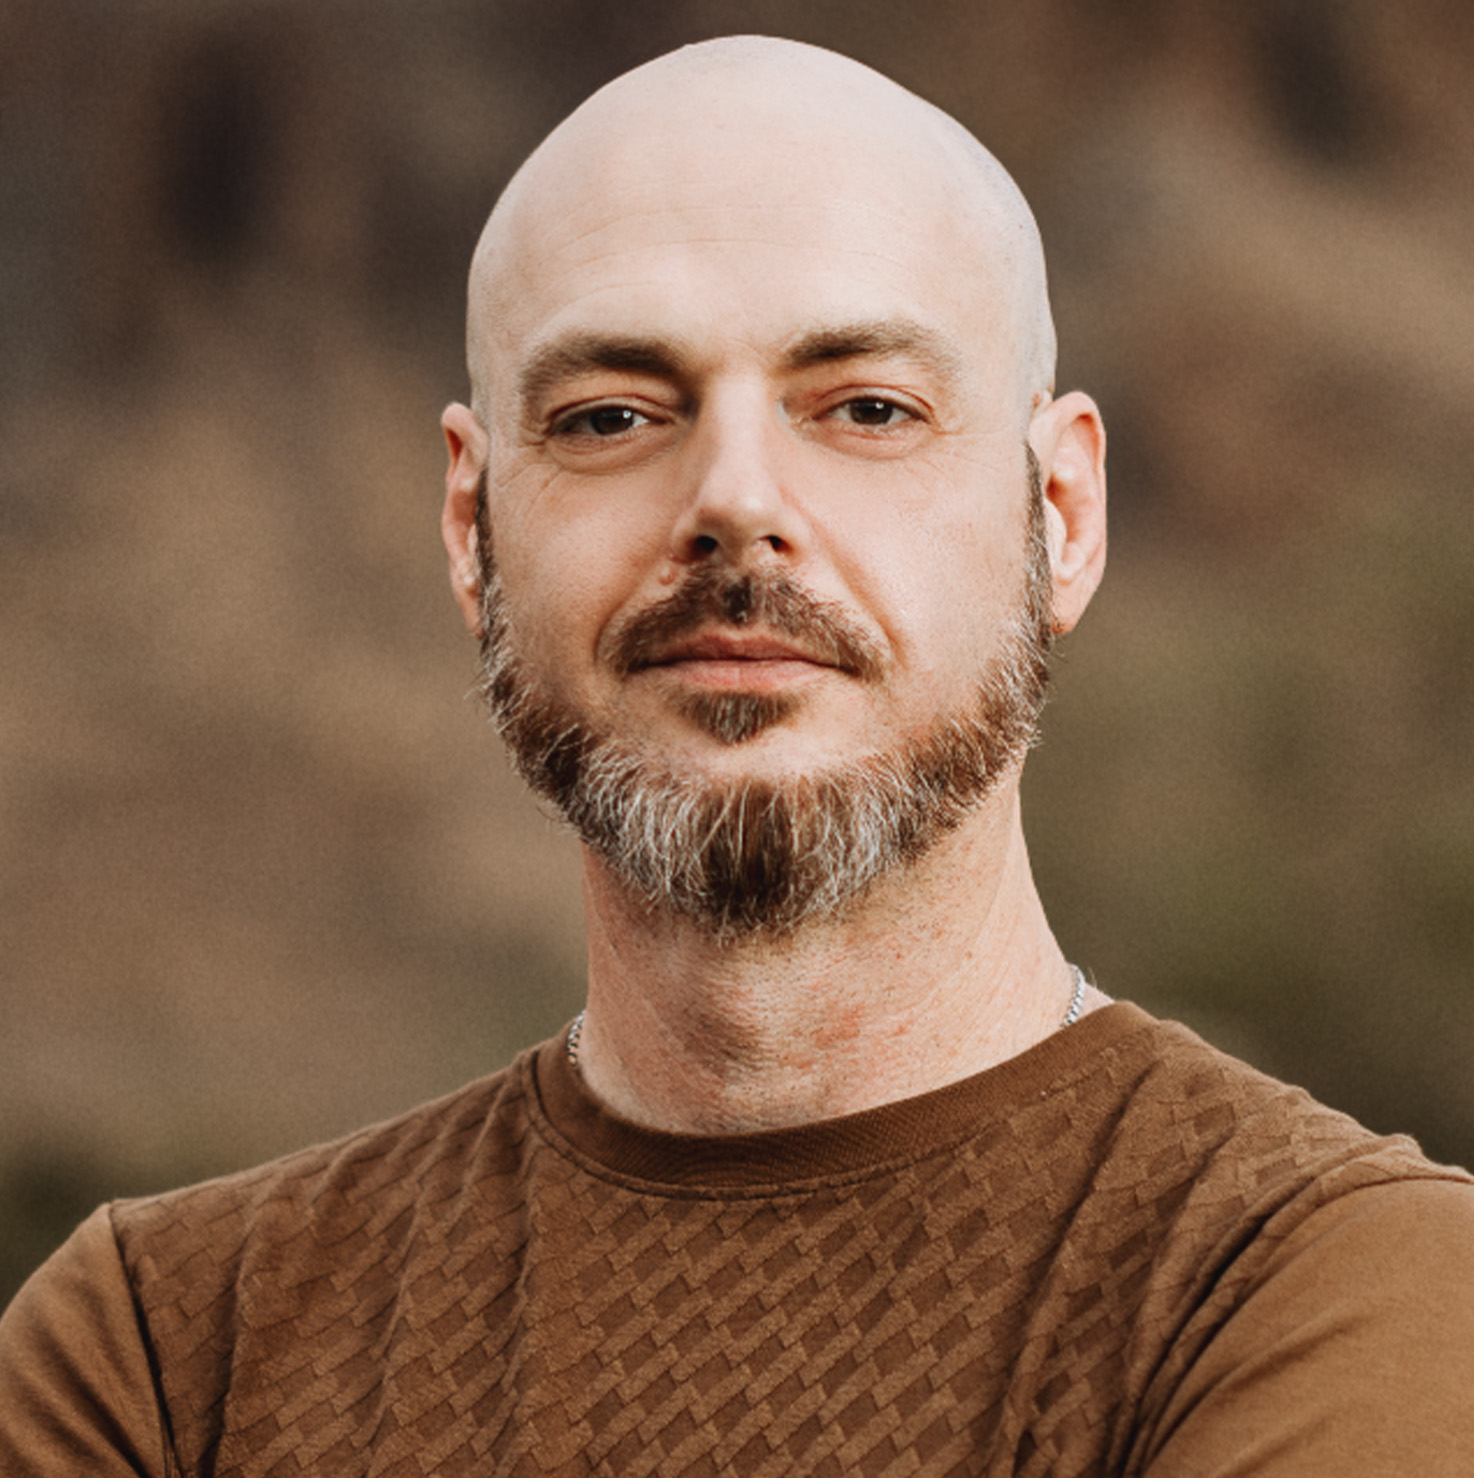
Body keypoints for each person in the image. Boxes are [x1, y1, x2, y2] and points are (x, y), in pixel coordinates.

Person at [2, 35, 1472, 1477]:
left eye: (868, 408)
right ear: (471, 528)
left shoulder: (1323, 1286)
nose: (735, 501)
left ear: (1062, 515)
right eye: (611, 417)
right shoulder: (164, 1353)